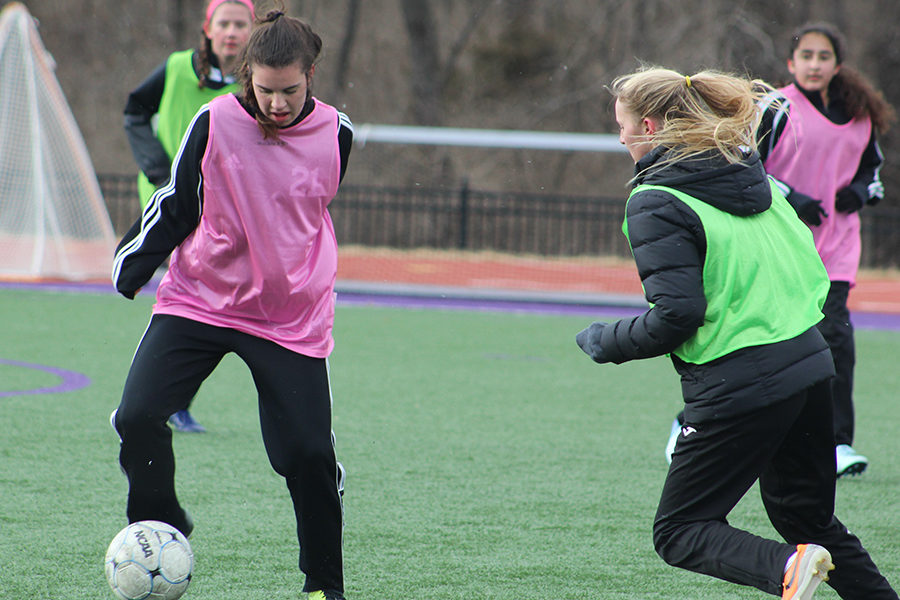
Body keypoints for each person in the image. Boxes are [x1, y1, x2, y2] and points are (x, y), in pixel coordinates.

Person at [576, 66, 897, 598]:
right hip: (811, 365)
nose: (621, 137)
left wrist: (604, 340)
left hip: (742, 381)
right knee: (813, 526)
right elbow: (808, 268)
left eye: (624, 125)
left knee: (680, 531)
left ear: (651, 128)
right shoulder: (756, 178)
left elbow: (676, 315)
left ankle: (785, 570)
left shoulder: (654, 199)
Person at [111, 9, 353, 600]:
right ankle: (161, 525)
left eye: (290, 90)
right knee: (137, 417)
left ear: (311, 74)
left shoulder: (339, 133)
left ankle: (324, 584)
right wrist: (135, 260)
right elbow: (178, 200)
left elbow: (310, 213)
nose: (277, 103)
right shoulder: (214, 119)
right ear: (248, 76)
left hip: (288, 315)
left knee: (307, 456)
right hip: (202, 297)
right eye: (266, 90)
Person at [755, 22, 895, 477]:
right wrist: (789, 196)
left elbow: (873, 172)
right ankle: (695, 424)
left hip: (835, 249)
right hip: (780, 245)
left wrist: (860, 191)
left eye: (824, 56)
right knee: (765, 341)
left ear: (837, 64)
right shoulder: (773, 107)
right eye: (806, 56)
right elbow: (743, 165)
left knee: (836, 340)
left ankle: (836, 444)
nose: (814, 65)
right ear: (791, 63)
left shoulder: (860, 114)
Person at [123, 0, 255, 433]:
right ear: (208, 28)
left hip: (224, 208)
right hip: (173, 201)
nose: (232, 31)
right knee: (187, 295)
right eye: (225, 22)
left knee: (206, 298)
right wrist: (156, 165)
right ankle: (165, 396)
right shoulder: (178, 67)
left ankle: (173, 396)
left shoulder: (260, 84)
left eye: (241, 24)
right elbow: (135, 110)